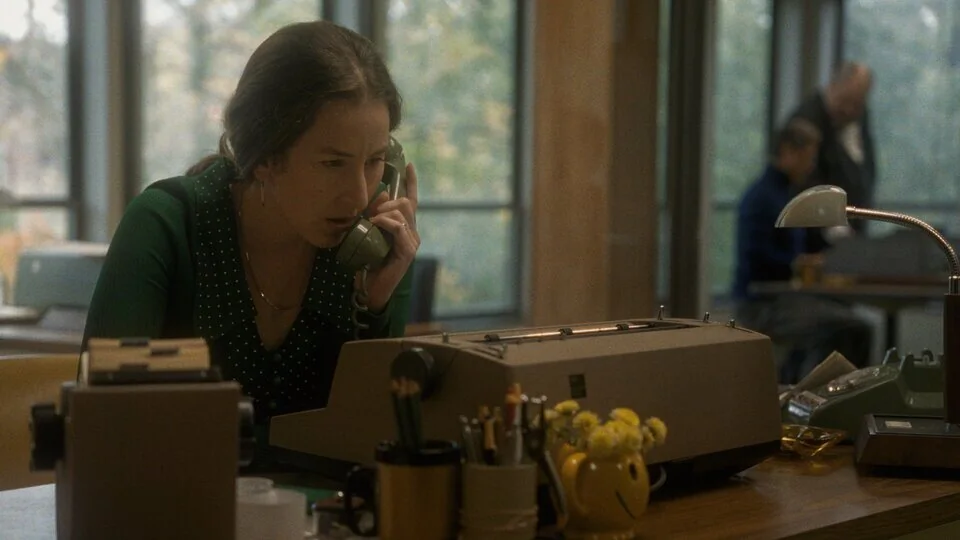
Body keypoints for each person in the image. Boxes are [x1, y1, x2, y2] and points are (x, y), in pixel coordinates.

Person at [81, 21, 418, 437]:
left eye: (374, 161)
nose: (359, 195)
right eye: (333, 163)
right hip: (176, 479)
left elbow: (379, 439)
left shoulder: (377, 239)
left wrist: (377, 305)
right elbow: (101, 429)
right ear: (264, 159)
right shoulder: (166, 225)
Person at [732, 118, 873, 382]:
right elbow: (757, 258)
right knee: (854, 328)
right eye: (808, 158)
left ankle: (811, 386)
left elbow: (803, 242)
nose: (811, 167)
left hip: (785, 298)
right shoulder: (761, 198)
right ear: (788, 152)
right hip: (762, 305)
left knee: (845, 323)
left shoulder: (785, 195)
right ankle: (816, 393)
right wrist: (799, 263)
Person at [789, 61, 875, 252]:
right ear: (833, 86)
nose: (850, 111)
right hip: (816, 244)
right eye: (845, 101)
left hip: (853, 238)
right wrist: (834, 227)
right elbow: (803, 182)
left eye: (857, 104)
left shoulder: (859, 117)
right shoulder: (806, 120)